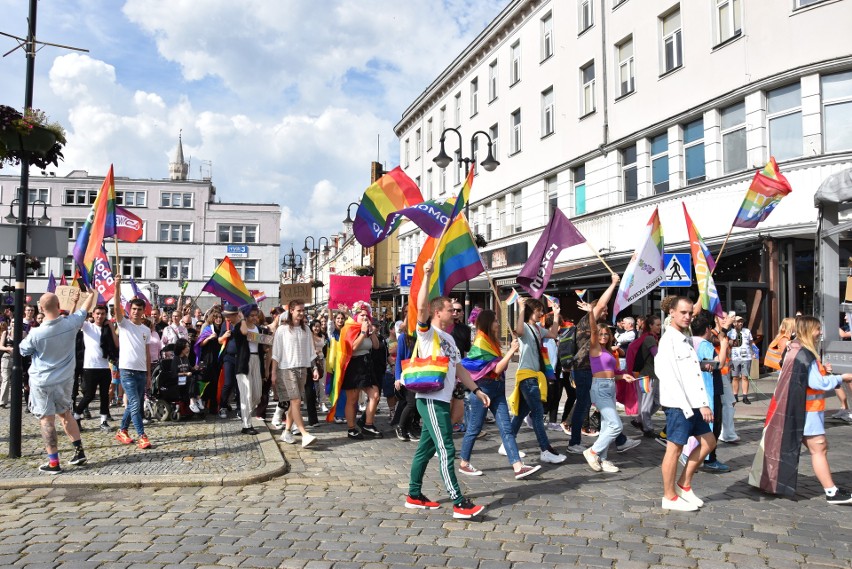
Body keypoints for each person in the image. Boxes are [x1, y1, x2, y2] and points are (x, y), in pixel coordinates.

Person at [404, 259, 489, 519]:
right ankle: (458, 502)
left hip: (442, 399)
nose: (456, 312)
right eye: (451, 310)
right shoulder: (427, 333)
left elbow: (460, 369)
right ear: (437, 312)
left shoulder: (450, 338)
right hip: (430, 399)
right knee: (446, 448)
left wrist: (477, 390)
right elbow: (420, 307)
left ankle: (414, 495)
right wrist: (427, 275)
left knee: (426, 449)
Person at [750, 316, 852, 504]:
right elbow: (816, 383)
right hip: (808, 411)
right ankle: (832, 492)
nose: (820, 332)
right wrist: (841, 378)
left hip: (799, 409)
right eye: (817, 329)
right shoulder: (806, 354)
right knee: (819, 449)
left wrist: (823, 371)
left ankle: (830, 490)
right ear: (808, 330)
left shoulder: (794, 350)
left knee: (816, 448)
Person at [20, 289, 97, 472]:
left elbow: (23, 350)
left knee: (47, 420)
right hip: (64, 380)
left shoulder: (36, 334)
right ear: (59, 306)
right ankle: (79, 452)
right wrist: (91, 295)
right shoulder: (70, 324)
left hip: (42, 381)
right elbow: (84, 311)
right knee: (65, 414)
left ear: (40, 308)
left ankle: (54, 462)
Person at [459, 309, 540, 479]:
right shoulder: (481, 341)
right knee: (474, 428)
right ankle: (464, 463)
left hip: (497, 388)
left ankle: (517, 466)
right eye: (495, 320)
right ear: (488, 323)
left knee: (506, 428)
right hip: (484, 389)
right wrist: (511, 351)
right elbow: (496, 369)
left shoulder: (492, 341)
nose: (498, 323)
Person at [655, 297, 715, 511]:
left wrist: (701, 403)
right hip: (679, 403)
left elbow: (690, 375)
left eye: (690, 313)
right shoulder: (668, 340)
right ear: (671, 312)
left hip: (694, 403)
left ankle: (684, 485)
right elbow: (668, 376)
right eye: (683, 312)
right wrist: (694, 406)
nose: (688, 316)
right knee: (674, 449)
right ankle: (669, 497)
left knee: (709, 442)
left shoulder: (685, 336)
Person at [566, 274, 620, 454]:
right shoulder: (587, 323)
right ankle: (574, 442)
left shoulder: (595, 328)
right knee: (584, 404)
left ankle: (619, 439)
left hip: (589, 371)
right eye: (603, 311)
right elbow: (602, 304)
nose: (605, 312)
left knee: (592, 403)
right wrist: (613, 284)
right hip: (583, 370)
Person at [511, 297, 567, 465]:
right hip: (527, 376)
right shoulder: (526, 328)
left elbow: (553, 334)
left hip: (534, 375)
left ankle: (508, 442)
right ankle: (545, 449)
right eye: (538, 310)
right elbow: (518, 331)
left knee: (521, 412)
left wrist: (556, 315)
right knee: (537, 412)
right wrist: (520, 308)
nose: (541, 313)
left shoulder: (537, 328)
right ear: (531, 311)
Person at [582, 321, 637, 473]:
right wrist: (591, 313)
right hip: (600, 387)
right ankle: (593, 452)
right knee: (616, 425)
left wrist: (623, 376)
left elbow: (613, 372)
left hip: (610, 386)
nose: (604, 336)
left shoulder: (607, 352)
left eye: (606, 334)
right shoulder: (595, 348)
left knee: (607, 425)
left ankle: (603, 458)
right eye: (601, 334)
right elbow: (593, 330)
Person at [113, 276, 153, 450]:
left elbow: (147, 353)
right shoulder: (124, 324)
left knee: (135, 403)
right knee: (135, 403)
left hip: (141, 371)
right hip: (127, 370)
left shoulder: (145, 329)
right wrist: (116, 287)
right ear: (130, 310)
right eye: (133, 309)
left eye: (139, 309)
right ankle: (141, 436)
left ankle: (122, 430)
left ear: (143, 311)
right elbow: (116, 308)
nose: (136, 312)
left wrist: (149, 374)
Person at [270, 300, 317, 447]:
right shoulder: (282, 330)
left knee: (295, 402)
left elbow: (311, 351)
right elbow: (276, 353)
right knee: (296, 401)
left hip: (302, 368)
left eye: (303, 310)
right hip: (286, 368)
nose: (302, 313)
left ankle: (287, 431)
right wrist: (273, 372)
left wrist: (314, 367)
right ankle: (304, 433)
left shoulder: (306, 329)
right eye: (299, 310)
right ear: (291, 311)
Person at [691, 311, 733, 474]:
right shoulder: (705, 344)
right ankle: (710, 459)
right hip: (709, 388)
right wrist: (723, 345)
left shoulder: (689, 341)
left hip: (696, 387)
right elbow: (719, 363)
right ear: (708, 329)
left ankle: (698, 456)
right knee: (712, 425)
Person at [73, 304, 119, 432]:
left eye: (103, 314)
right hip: (90, 367)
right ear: (93, 314)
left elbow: (116, 343)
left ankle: (103, 421)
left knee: (105, 395)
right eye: (97, 313)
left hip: (104, 366)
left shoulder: (107, 329)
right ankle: (76, 415)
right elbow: (73, 318)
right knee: (89, 395)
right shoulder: (88, 326)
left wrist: (110, 326)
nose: (100, 316)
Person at [342, 302, 382, 439]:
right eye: (362, 315)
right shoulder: (350, 328)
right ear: (356, 316)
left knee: (375, 395)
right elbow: (352, 348)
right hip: (354, 365)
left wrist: (371, 333)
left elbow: (376, 346)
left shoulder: (368, 328)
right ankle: (351, 428)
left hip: (367, 364)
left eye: (367, 315)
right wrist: (363, 332)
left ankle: (368, 424)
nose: (365, 318)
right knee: (352, 399)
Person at [231, 305, 266, 435]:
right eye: (251, 315)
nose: (254, 317)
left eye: (255, 315)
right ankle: (246, 425)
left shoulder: (259, 328)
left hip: (257, 360)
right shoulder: (239, 327)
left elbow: (262, 345)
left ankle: (245, 413)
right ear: (245, 315)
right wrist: (242, 319)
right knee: (246, 394)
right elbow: (245, 333)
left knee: (257, 395)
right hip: (243, 363)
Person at [627, 314, 661, 438]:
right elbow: (657, 355)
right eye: (657, 325)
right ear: (650, 326)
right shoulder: (650, 339)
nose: (659, 327)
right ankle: (647, 428)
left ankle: (639, 420)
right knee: (647, 403)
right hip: (646, 376)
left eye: (660, 324)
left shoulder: (649, 337)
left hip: (648, 375)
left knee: (655, 402)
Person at [218, 305, 242, 419]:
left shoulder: (242, 324)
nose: (226, 317)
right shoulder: (225, 325)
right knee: (228, 383)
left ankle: (239, 409)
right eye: (225, 315)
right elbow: (219, 340)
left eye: (228, 315)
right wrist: (224, 335)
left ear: (235, 314)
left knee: (239, 385)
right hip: (228, 357)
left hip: (241, 358)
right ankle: (222, 406)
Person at [728, 315, 754, 404]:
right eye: (738, 321)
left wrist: (753, 352)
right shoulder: (730, 332)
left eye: (741, 321)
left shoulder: (747, 331)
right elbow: (728, 345)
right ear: (734, 322)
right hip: (735, 357)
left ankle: (745, 396)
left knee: (745, 377)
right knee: (735, 377)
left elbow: (751, 343)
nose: (740, 323)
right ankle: (735, 396)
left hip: (746, 357)